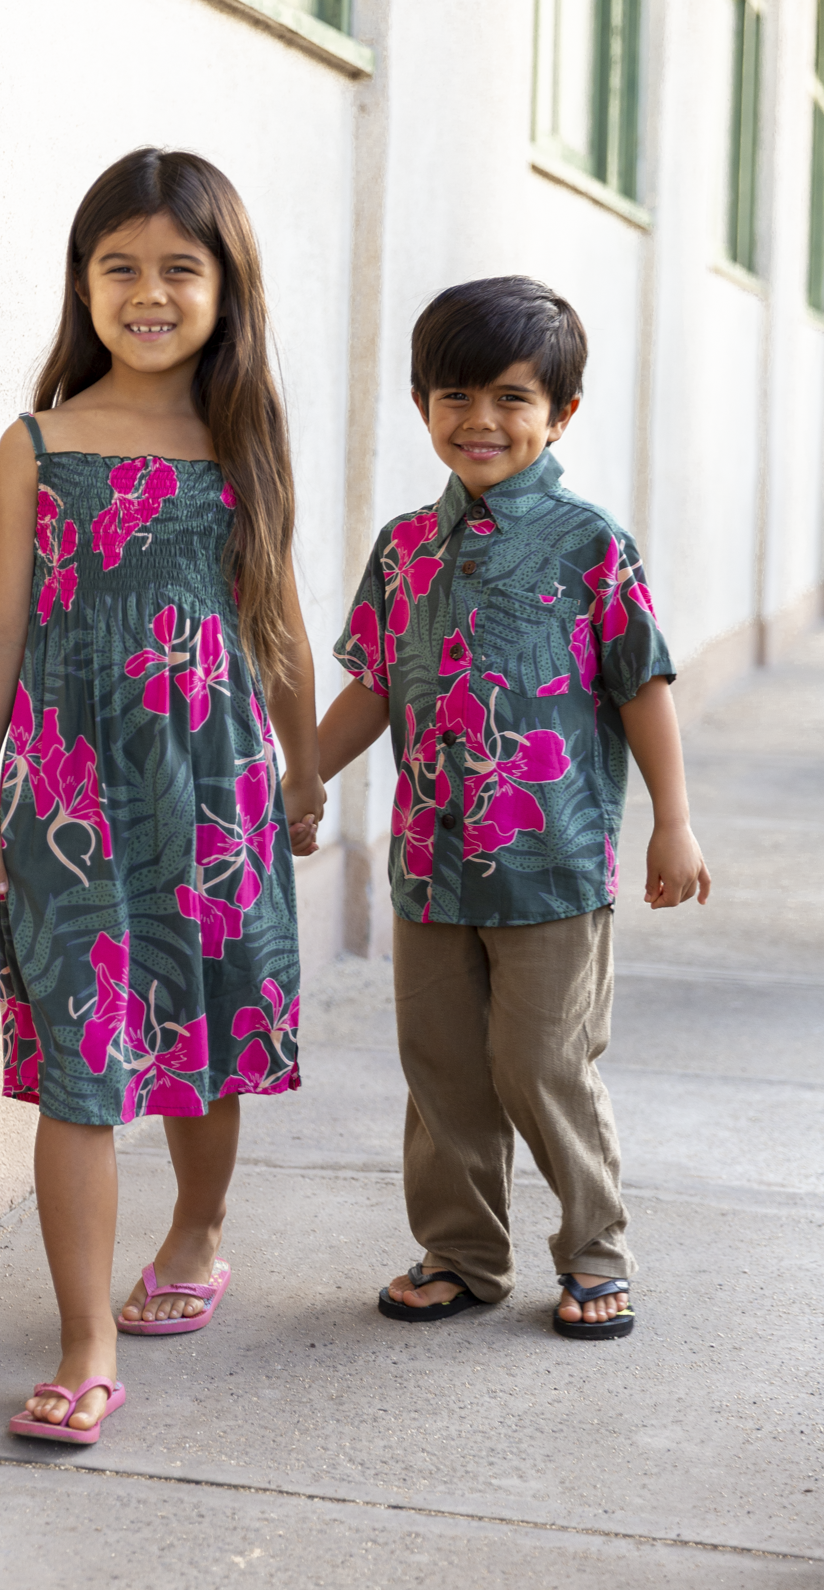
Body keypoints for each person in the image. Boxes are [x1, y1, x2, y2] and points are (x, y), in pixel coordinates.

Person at [0, 147, 325, 1442]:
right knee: (78, 1058)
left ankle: (198, 1228)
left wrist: (305, 767)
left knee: (200, 1039)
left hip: (211, 785)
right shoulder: (37, 442)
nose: (148, 292)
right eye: (120, 268)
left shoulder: (241, 441)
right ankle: (83, 1335)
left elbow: (273, 615)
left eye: (179, 267)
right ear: (82, 283)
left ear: (226, 289)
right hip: (62, 793)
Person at [315, 276, 709, 1340]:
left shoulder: (590, 547)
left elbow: (640, 683)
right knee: (441, 1069)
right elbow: (370, 681)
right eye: (452, 396)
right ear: (419, 403)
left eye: (509, 398)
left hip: (551, 864)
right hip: (426, 868)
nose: (478, 421)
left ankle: (593, 1253)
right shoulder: (403, 548)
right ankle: (460, 1253)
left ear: (559, 413)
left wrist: (670, 819)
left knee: (541, 1065)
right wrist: (302, 775)